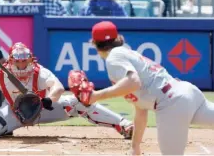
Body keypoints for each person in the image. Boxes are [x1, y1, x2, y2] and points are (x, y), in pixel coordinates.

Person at [75, 21, 214, 155]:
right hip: (187, 92)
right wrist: (135, 146)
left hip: (172, 103)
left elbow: (133, 82)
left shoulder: (114, 57)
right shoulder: (126, 53)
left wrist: (96, 96)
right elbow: (140, 110)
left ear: (95, 44)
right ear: (117, 38)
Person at [0, 42, 134, 139]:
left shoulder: (40, 72)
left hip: (42, 109)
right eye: (18, 62)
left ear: (30, 60)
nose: (22, 65)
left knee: (80, 103)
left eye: (25, 61)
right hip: (14, 112)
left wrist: (49, 100)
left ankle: (124, 125)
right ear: (11, 61)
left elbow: (57, 87)